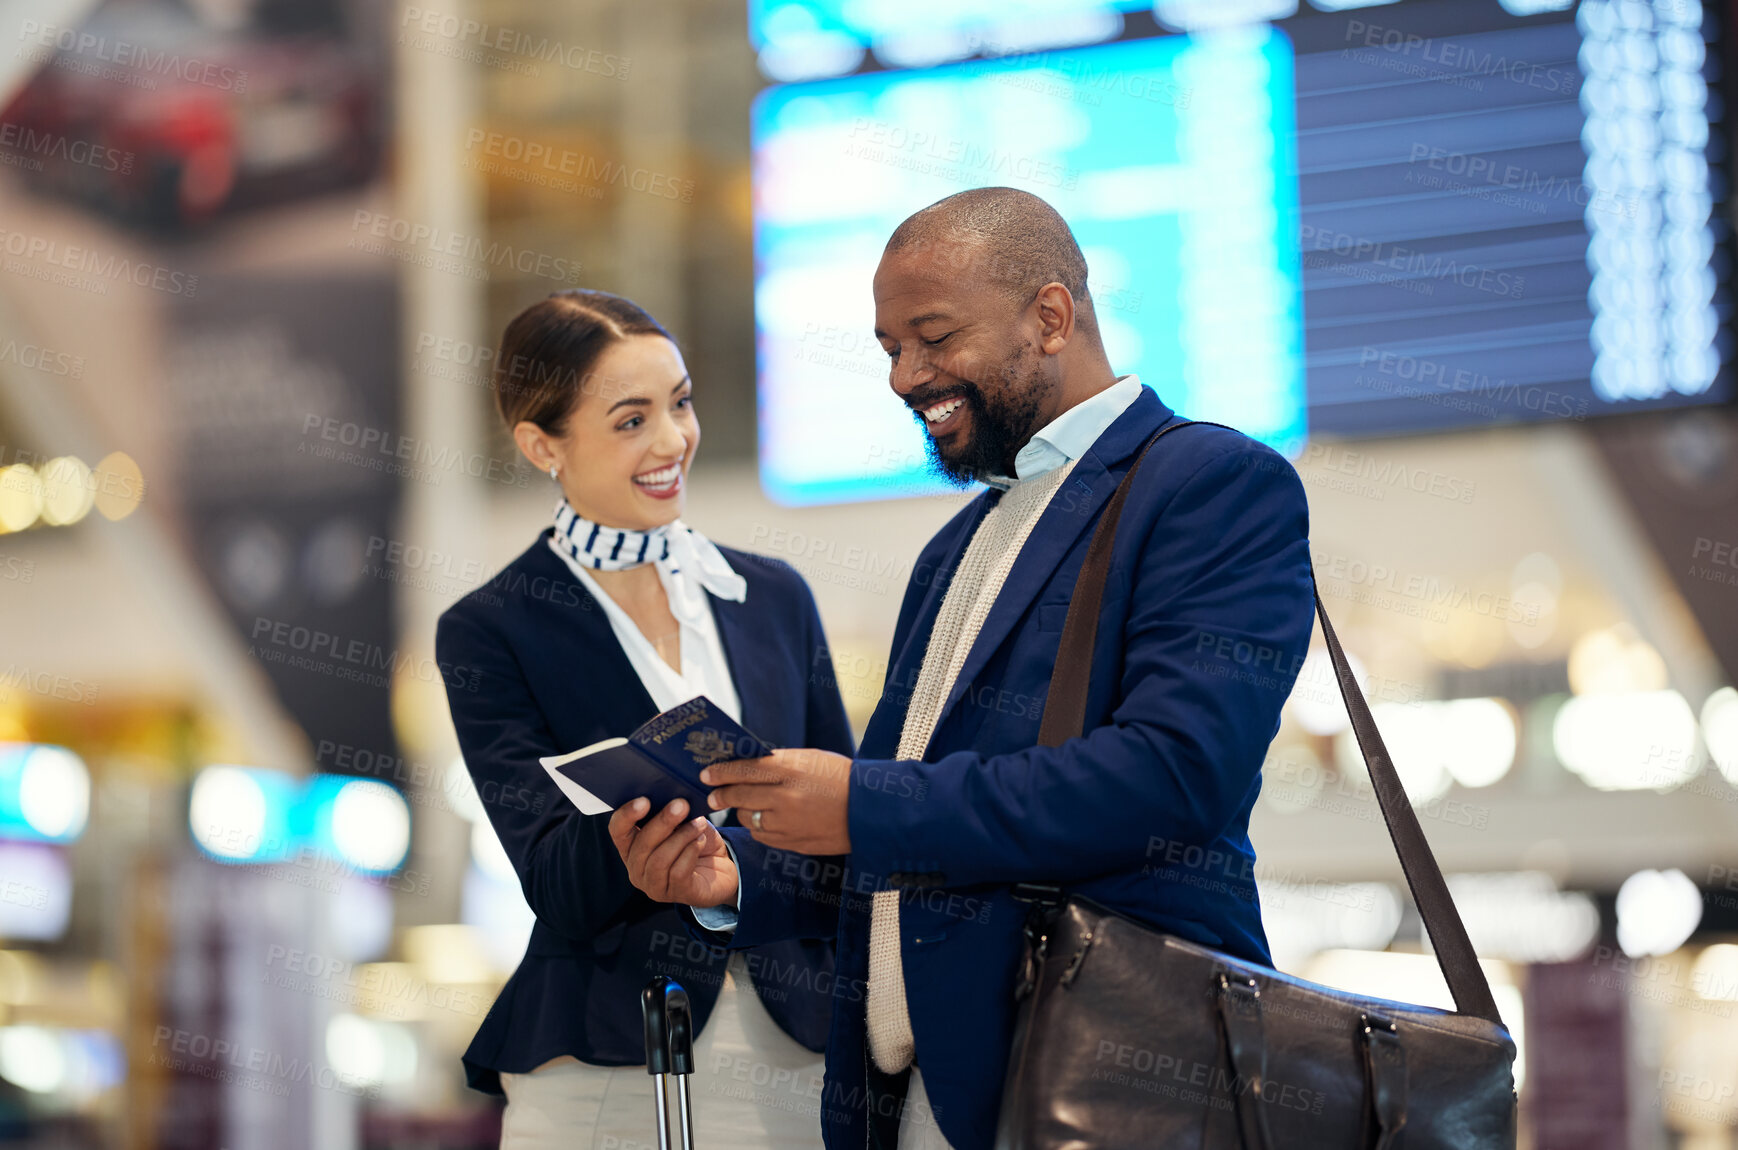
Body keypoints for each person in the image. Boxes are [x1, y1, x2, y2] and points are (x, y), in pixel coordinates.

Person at [609, 188, 1316, 1150]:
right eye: (890, 347)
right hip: (924, 1100)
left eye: (933, 337)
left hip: (1112, 1092)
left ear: (1051, 317)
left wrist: (861, 803)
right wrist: (737, 878)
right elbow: (918, 852)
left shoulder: (1211, 485)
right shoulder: (958, 547)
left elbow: (1173, 778)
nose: (906, 376)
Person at [435, 289, 853, 1150]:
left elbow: (851, 833)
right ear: (541, 444)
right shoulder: (492, 629)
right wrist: (634, 848)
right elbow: (553, 877)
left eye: (681, 402)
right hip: (605, 1057)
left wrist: (733, 873)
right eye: (631, 420)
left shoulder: (773, 598)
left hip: (799, 1044)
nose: (672, 441)